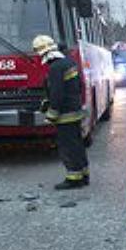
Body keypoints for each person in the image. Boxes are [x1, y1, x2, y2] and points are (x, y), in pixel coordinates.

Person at [32, 35, 89, 190]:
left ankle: (74, 178)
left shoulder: (55, 68)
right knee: (77, 145)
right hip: (75, 111)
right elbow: (78, 86)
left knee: (67, 147)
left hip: (64, 116)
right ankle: (84, 175)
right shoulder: (69, 62)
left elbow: (57, 93)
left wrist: (51, 114)